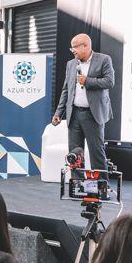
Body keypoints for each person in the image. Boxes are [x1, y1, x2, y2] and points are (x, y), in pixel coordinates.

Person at [52, 33, 115, 171]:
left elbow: (109, 82)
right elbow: (66, 90)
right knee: (75, 156)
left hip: (93, 115)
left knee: (97, 154)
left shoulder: (104, 60)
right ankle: (77, 184)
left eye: (74, 47)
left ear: (85, 46)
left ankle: (100, 184)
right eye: (71, 48)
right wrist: (59, 112)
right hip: (74, 114)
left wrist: (88, 81)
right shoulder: (71, 64)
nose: (72, 50)